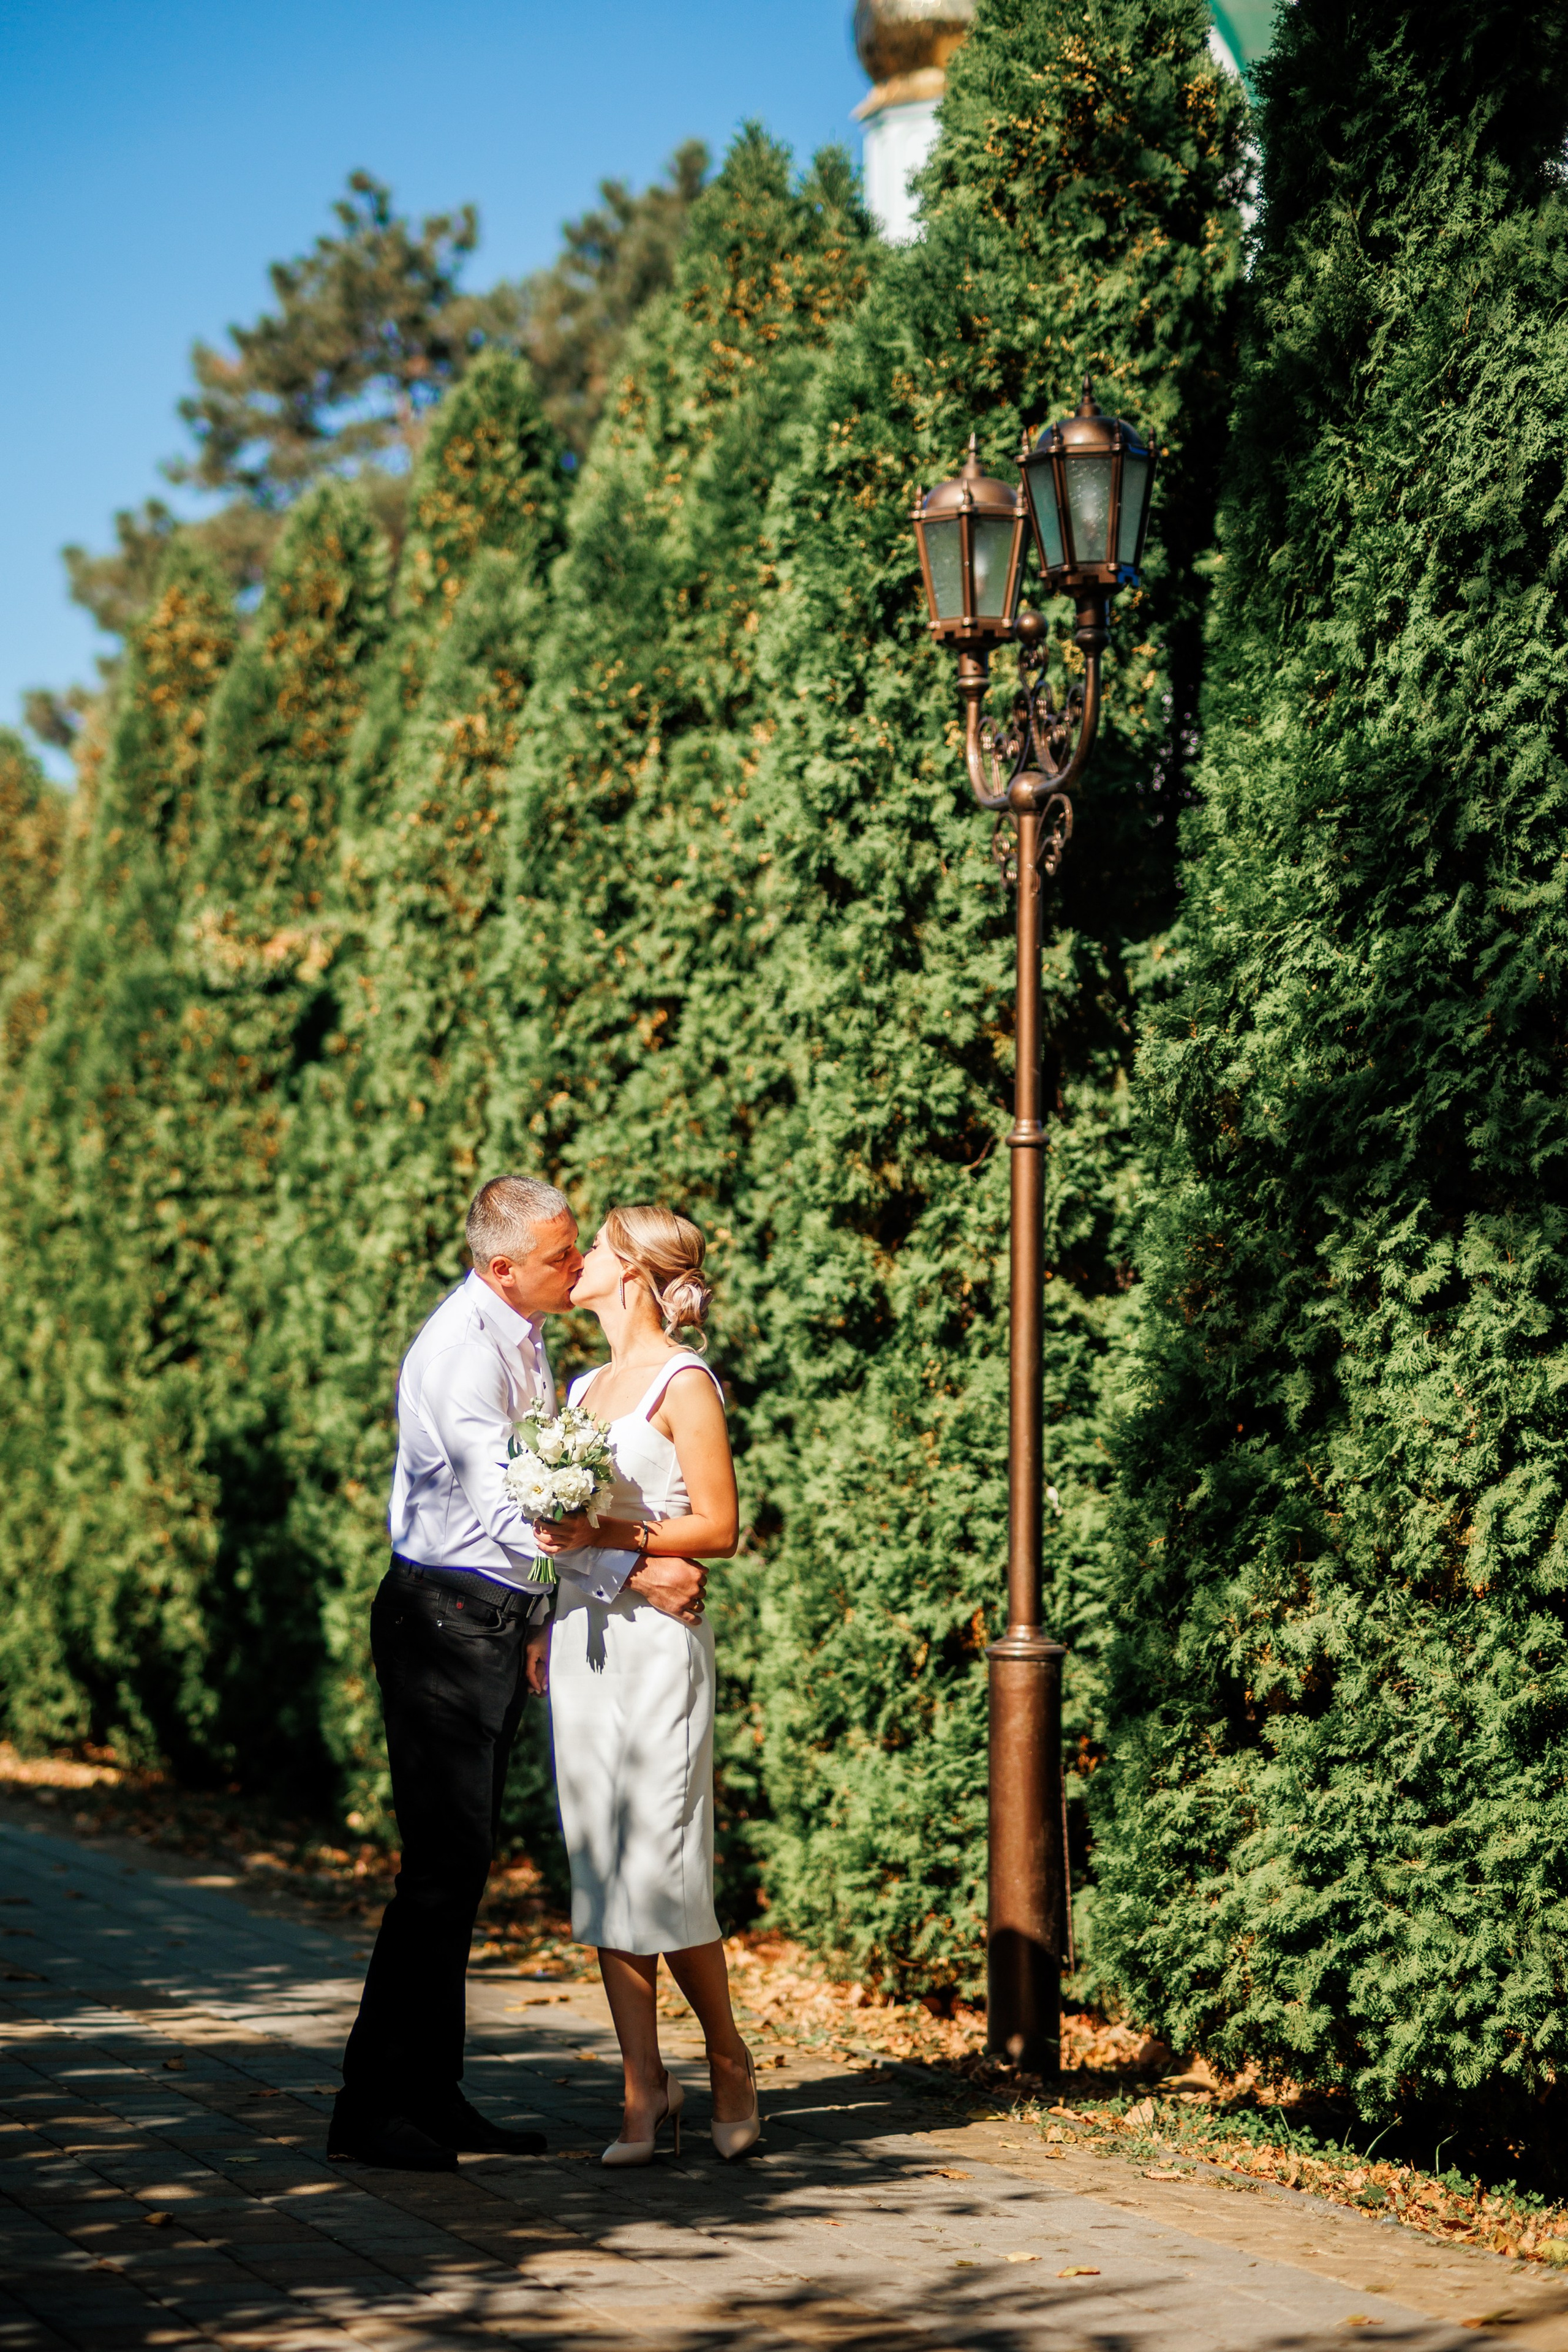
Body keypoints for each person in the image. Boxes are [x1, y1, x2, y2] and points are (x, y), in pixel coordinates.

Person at [329, 1177, 709, 2173]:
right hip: (442, 1627)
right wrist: (635, 1564)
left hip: (493, 1622)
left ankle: (433, 2093)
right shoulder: (461, 1356)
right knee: (438, 1873)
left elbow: (549, 1495)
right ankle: (370, 2109)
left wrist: (548, 1606)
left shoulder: (525, 1329)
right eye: (559, 1256)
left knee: (461, 1869)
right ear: (503, 1269)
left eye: (579, 1248)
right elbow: (510, 1512)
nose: (577, 1265)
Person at [529, 1203, 760, 2165]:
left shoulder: (682, 1382)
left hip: (660, 1646)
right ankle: (641, 2092)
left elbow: (717, 1528)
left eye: (594, 1250)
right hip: (583, 1641)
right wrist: (550, 1599)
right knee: (602, 1862)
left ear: (629, 1272)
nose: (574, 1261)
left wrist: (614, 1539)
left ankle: (729, 2057)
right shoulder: (581, 1388)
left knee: (659, 1863)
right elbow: (561, 1527)